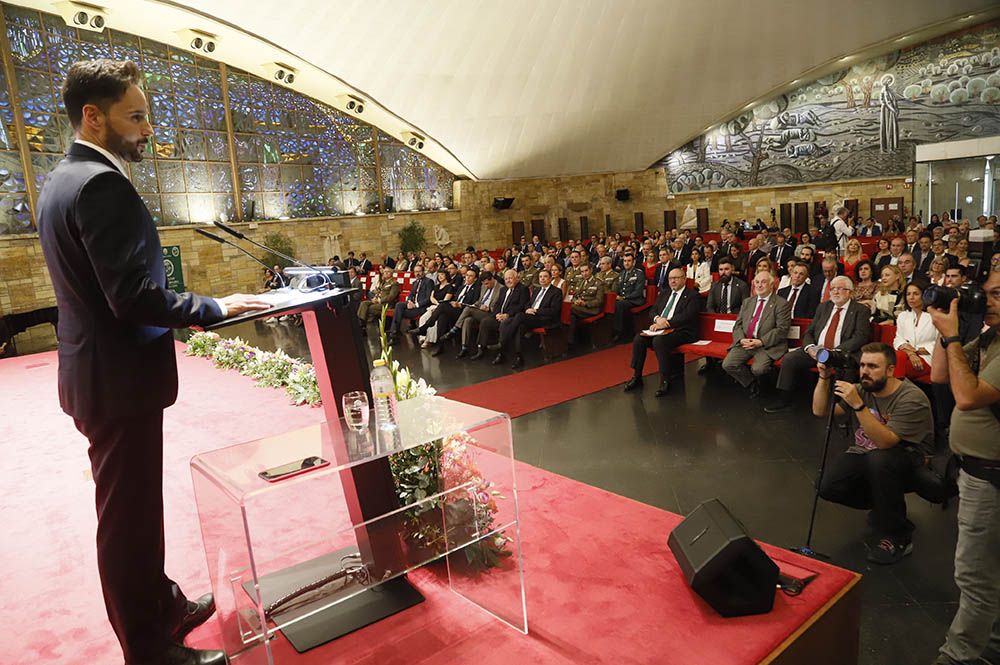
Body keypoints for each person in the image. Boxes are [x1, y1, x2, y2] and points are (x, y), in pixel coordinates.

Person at [36, 59, 271, 665]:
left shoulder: (62, 179)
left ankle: (161, 604)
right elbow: (132, 297)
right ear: (94, 115)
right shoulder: (100, 184)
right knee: (126, 521)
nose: (146, 130)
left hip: (101, 376)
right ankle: (146, 647)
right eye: (134, 116)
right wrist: (213, 305)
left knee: (135, 510)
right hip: (117, 381)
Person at [928, 269, 1000, 665]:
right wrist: (944, 325)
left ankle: (960, 656)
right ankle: (993, 645)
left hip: (990, 476)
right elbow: (941, 374)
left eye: (997, 295)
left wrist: (955, 337)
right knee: (989, 566)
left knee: (973, 573)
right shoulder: (991, 336)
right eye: (984, 294)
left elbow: (968, 396)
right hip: (975, 471)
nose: (986, 302)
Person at [812, 343, 934, 564]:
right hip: (868, 452)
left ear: (890, 370)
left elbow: (886, 442)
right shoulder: (862, 388)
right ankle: (884, 506)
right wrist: (823, 378)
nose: (865, 372)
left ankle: (898, 535)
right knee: (827, 486)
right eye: (863, 366)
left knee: (880, 459)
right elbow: (821, 411)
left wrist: (859, 406)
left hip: (908, 456)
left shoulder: (911, 397)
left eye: (873, 366)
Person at [765, 276, 872, 412]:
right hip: (818, 351)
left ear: (850, 292)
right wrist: (810, 348)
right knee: (790, 359)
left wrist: (834, 351)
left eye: (840, 289)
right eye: (833, 289)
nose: (835, 292)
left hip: (841, 353)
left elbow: (860, 337)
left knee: (849, 366)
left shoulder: (860, 310)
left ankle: (841, 407)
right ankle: (784, 399)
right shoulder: (823, 307)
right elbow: (809, 332)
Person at [624, 268, 702, 397]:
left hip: (682, 331)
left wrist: (667, 323)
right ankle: (637, 376)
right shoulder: (665, 293)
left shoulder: (693, 295)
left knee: (660, 341)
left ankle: (665, 379)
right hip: (662, 328)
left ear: (684, 279)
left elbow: (688, 316)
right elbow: (652, 311)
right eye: (671, 278)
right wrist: (658, 319)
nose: (673, 281)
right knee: (639, 338)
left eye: (676, 278)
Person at [722, 271, 791, 398]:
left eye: (763, 282)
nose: (759, 285)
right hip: (746, 343)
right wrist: (741, 339)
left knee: (758, 369)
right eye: (757, 282)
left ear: (772, 285)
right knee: (728, 364)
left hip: (766, 345)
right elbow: (738, 325)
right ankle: (752, 384)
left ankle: (770, 387)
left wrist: (761, 342)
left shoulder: (782, 304)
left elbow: (782, 329)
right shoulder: (748, 302)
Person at [498, 268, 563, 368]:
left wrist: (536, 311)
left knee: (519, 316)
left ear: (550, 279)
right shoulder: (537, 290)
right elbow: (527, 303)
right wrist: (528, 308)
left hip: (544, 318)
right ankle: (519, 357)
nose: (542, 279)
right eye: (540, 277)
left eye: (545, 277)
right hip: (531, 317)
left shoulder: (556, 291)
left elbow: (554, 310)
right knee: (516, 325)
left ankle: (503, 342)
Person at [421, 268, 481, 356]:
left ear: (475, 279)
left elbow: (474, 303)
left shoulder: (477, 289)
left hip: (464, 312)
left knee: (442, 305)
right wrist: (454, 303)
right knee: (442, 317)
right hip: (455, 310)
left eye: (470, 276)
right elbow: (455, 298)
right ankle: (440, 346)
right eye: (467, 275)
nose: (467, 278)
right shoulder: (461, 287)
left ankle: (426, 326)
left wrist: (461, 305)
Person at [472, 269, 529, 361]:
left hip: (512, 318)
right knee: (485, 321)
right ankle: (481, 349)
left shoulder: (523, 289)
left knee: (504, 324)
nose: (508, 281)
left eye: (510, 278)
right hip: (500, 316)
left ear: (516, 278)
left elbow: (522, 306)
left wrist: (507, 315)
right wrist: (497, 314)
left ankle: (501, 353)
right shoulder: (503, 289)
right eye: (506, 279)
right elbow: (498, 304)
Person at [441, 272, 501, 358]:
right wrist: (476, 305)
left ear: (492, 279)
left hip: (490, 314)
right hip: (479, 310)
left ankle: (454, 330)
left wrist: (489, 309)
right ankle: (464, 347)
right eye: (484, 284)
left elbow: (500, 306)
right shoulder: (483, 286)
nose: (486, 286)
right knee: (467, 320)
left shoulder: (501, 288)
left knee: (468, 309)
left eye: (487, 283)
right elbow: (479, 301)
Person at [892, 283, 936, 382]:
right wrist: (911, 354)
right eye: (908, 294)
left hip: (928, 357)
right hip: (907, 355)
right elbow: (898, 339)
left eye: (916, 294)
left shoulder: (935, 316)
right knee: (891, 361)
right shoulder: (903, 316)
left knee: (892, 369)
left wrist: (914, 351)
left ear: (924, 295)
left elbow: (939, 343)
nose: (911, 297)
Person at [388, 264, 433, 341]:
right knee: (399, 305)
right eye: (415, 272)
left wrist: (415, 305)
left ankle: (394, 333)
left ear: (423, 272)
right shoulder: (415, 282)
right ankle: (394, 332)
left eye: (419, 271)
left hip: (422, 307)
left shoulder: (429, 282)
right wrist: (409, 302)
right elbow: (410, 295)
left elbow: (428, 299)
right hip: (413, 304)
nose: (417, 273)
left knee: (399, 312)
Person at [410, 269, 454, 348]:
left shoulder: (450, 287)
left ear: (446, 276)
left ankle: (429, 341)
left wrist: (438, 306)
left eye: (442, 275)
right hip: (434, 306)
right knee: (423, 318)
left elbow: (446, 300)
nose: (440, 276)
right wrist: (437, 304)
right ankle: (423, 338)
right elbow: (431, 297)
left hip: (444, 308)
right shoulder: (436, 286)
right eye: (439, 275)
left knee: (433, 320)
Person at [567, 263, 606, 346]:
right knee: (571, 317)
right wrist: (575, 300)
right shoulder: (580, 282)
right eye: (582, 272)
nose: (584, 273)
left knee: (568, 308)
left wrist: (585, 303)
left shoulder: (599, 283)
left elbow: (599, 301)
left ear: (591, 270)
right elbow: (573, 295)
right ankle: (571, 341)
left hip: (592, 309)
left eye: (586, 271)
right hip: (578, 308)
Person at [612, 253, 647, 341]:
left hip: (635, 300)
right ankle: (618, 331)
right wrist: (615, 295)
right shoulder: (621, 274)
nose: (626, 263)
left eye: (629, 261)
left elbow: (638, 291)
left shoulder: (639, 273)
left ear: (634, 262)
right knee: (614, 303)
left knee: (620, 305)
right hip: (624, 300)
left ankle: (619, 332)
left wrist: (624, 298)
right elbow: (617, 288)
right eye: (625, 261)